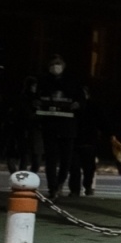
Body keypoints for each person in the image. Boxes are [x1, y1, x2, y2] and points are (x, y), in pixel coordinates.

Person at [36, 55, 83, 198]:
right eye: (52, 64)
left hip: (67, 126)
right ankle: (52, 187)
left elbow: (80, 99)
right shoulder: (44, 81)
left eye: (58, 64)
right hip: (50, 125)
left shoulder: (72, 81)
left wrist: (77, 104)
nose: (55, 67)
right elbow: (37, 98)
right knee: (51, 159)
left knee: (66, 159)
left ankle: (60, 182)